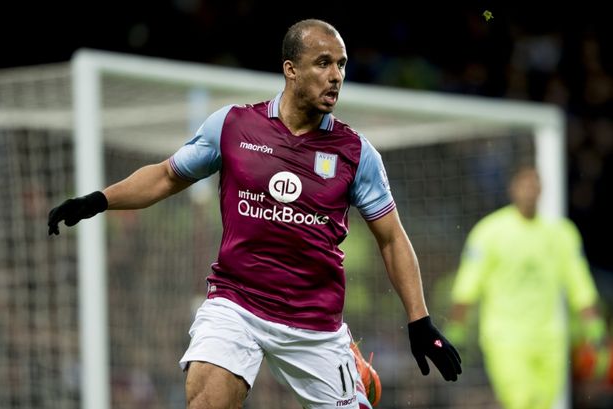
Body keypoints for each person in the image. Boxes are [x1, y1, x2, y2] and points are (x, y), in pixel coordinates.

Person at [47, 18, 461, 409]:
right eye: (323, 63)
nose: (336, 75)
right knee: (206, 397)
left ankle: (350, 370)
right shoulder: (232, 126)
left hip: (314, 324)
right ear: (291, 69)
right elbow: (165, 177)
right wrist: (99, 200)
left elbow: (391, 238)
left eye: (341, 64)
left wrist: (419, 320)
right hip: (236, 303)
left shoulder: (356, 153)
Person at [446, 165, 606, 409]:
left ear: (542, 190)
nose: (530, 191)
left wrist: (594, 326)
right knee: (520, 401)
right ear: (513, 189)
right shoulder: (489, 232)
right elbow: (467, 284)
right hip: (505, 336)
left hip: (550, 338)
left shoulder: (562, 233)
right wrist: (455, 329)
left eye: (534, 185)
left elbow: (579, 283)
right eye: (524, 185)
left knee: (543, 404)